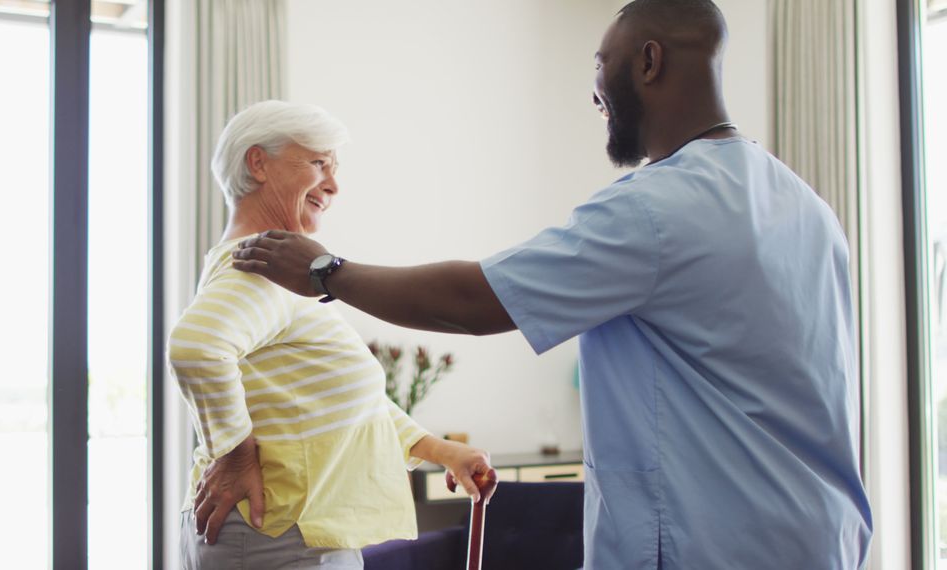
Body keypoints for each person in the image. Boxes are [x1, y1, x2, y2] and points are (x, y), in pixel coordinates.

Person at [230, 1, 874, 568]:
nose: (594, 92)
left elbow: (476, 301)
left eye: (601, 63)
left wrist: (324, 271)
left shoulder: (658, 208)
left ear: (648, 62)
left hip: (712, 546)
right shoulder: (805, 205)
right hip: (821, 537)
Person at [168, 100, 497, 570]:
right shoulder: (259, 267)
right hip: (278, 532)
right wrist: (236, 455)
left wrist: (440, 450)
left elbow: (333, 400)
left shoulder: (272, 269)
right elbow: (195, 348)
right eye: (318, 163)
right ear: (258, 163)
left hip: (292, 530)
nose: (333, 184)